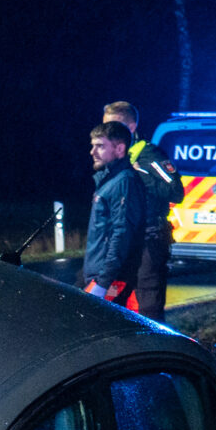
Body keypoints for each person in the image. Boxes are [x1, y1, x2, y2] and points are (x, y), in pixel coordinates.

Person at [104, 101, 179, 317]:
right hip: (119, 239)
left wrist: (139, 177)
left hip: (148, 238)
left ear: (132, 127)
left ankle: (154, 346)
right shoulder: (110, 157)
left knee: (147, 302)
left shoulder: (149, 155)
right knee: (110, 297)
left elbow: (175, 191)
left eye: (114, 125)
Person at [84, 121, 147, 310]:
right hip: (102, 275)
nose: (92, 152)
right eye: (93, 146)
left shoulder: (123, 182)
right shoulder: (110, 180)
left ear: (120, 149)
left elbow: (121, 234)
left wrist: (103, 283)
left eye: (100, 146)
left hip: (111, 279)